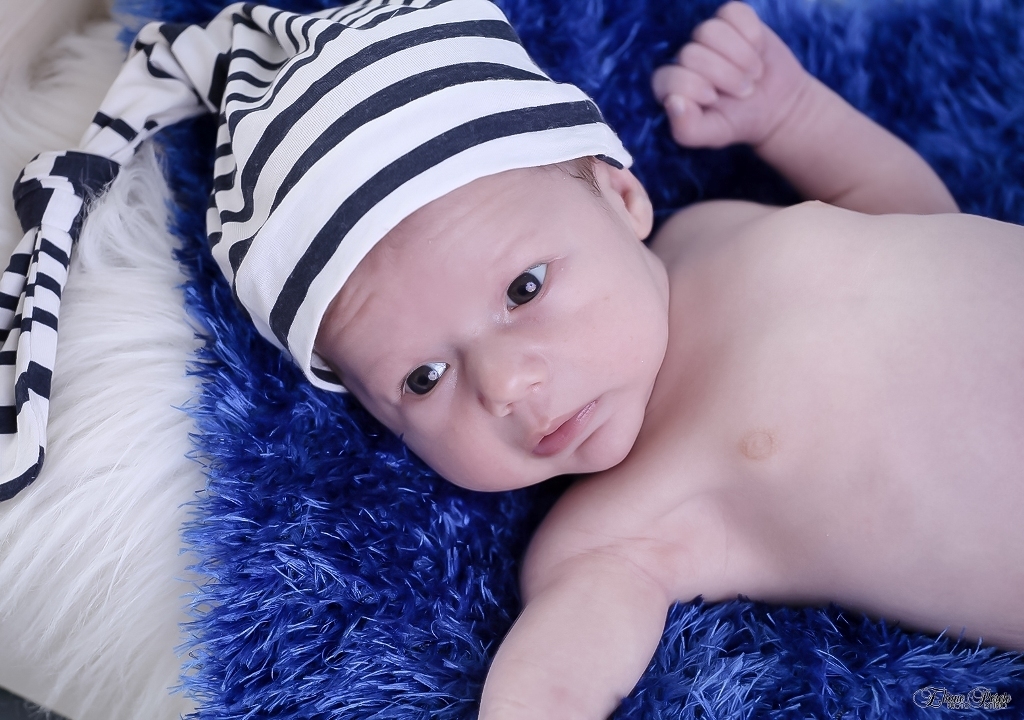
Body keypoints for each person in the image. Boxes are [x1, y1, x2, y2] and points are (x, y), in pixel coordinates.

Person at [311, 2, 1024, 718]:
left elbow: (922, 222)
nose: (506, 384)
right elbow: (560, 675)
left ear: (623, 199)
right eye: (424, 378)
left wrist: (794, 116)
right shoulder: (612, 531)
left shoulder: (709, 231)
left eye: (525, 288)